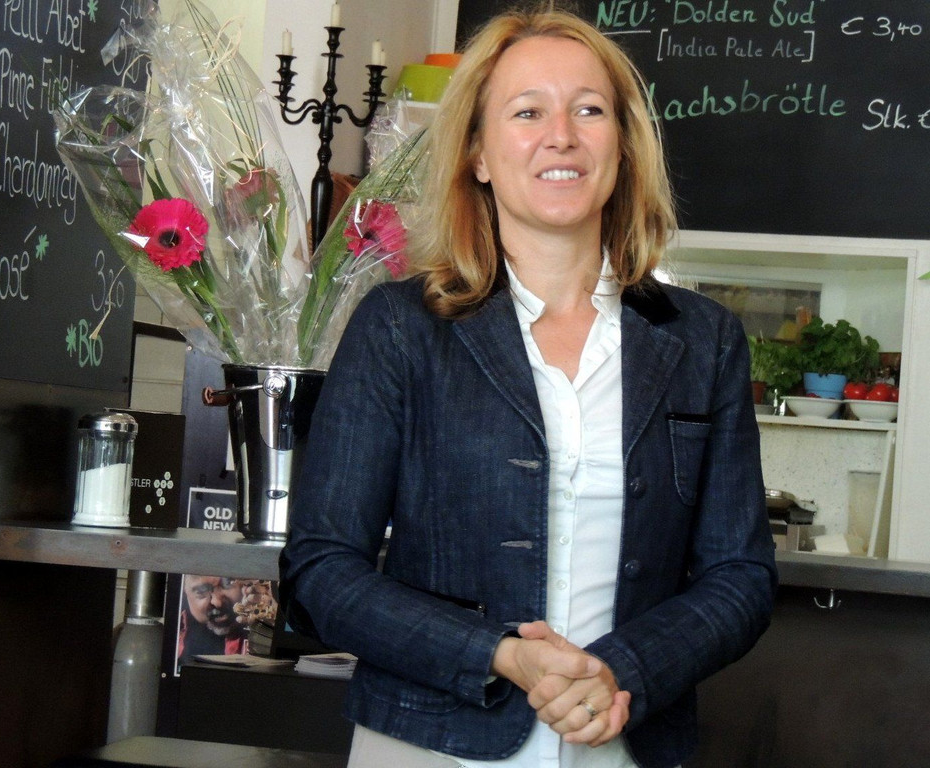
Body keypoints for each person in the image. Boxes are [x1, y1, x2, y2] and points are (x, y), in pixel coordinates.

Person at [280, 8, 777, 768]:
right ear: (478, 153)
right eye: (527, 112)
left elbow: (740, 576)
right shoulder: (399, 328)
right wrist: (499, 653)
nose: (561, 136)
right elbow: (321, 570)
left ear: (623, 146)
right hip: (428, 745)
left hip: (622, 744)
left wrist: (624, 671)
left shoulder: (702, 340)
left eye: (589, 110)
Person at [177, 575, 276, 665]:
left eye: (227, 583)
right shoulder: (175, 636)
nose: (217, 602)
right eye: (201, 591)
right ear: (184, 593)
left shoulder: (266, 616)